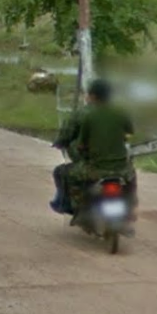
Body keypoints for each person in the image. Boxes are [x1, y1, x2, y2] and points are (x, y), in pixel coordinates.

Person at [51, 79, 136, 225]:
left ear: (93, 96)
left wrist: (64, 144)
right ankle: (128, 207)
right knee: (132, 177)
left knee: (62, 172)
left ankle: (71, 206)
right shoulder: (120, 113)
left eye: (88, 94)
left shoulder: (85, 114)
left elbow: (77, 141)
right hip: (122, 169)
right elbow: (129, 133)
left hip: (94, 168)